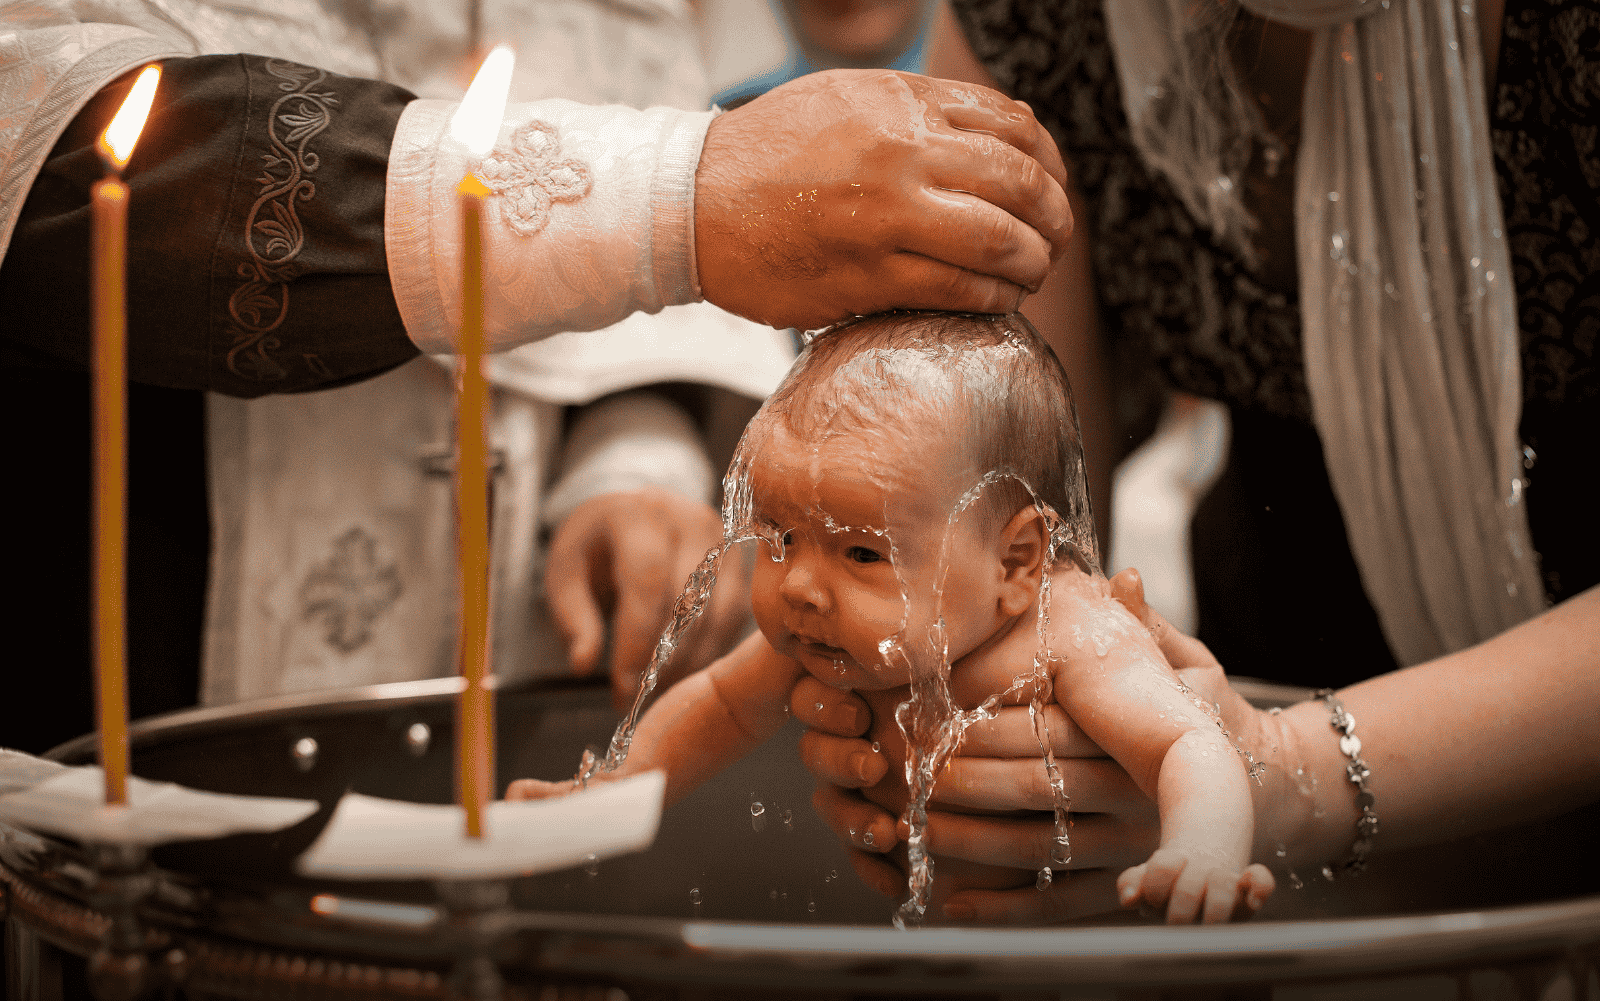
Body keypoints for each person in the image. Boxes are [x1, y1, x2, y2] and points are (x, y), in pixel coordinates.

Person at [0, 1, 1073, 754]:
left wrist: (634, 445)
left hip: (523, 634)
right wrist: (678, 197)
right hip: (119, 616)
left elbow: (601, 87)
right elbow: (57, 157)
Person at [792, 0, 1600, 924]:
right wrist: (960, 731)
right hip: (1277, 652)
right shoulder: (1036, 24)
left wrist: (1291, 776)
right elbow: (996, 535)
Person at [507, 311, 1277, 925]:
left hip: (1106, 946)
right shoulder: (825, 631)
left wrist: (1203, 851)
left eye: (864, 554)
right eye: (779, 536)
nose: (802, 585)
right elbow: (715, 705)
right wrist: (613, 787)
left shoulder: (1072, 634)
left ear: (1015, 563)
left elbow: (1190, 741)